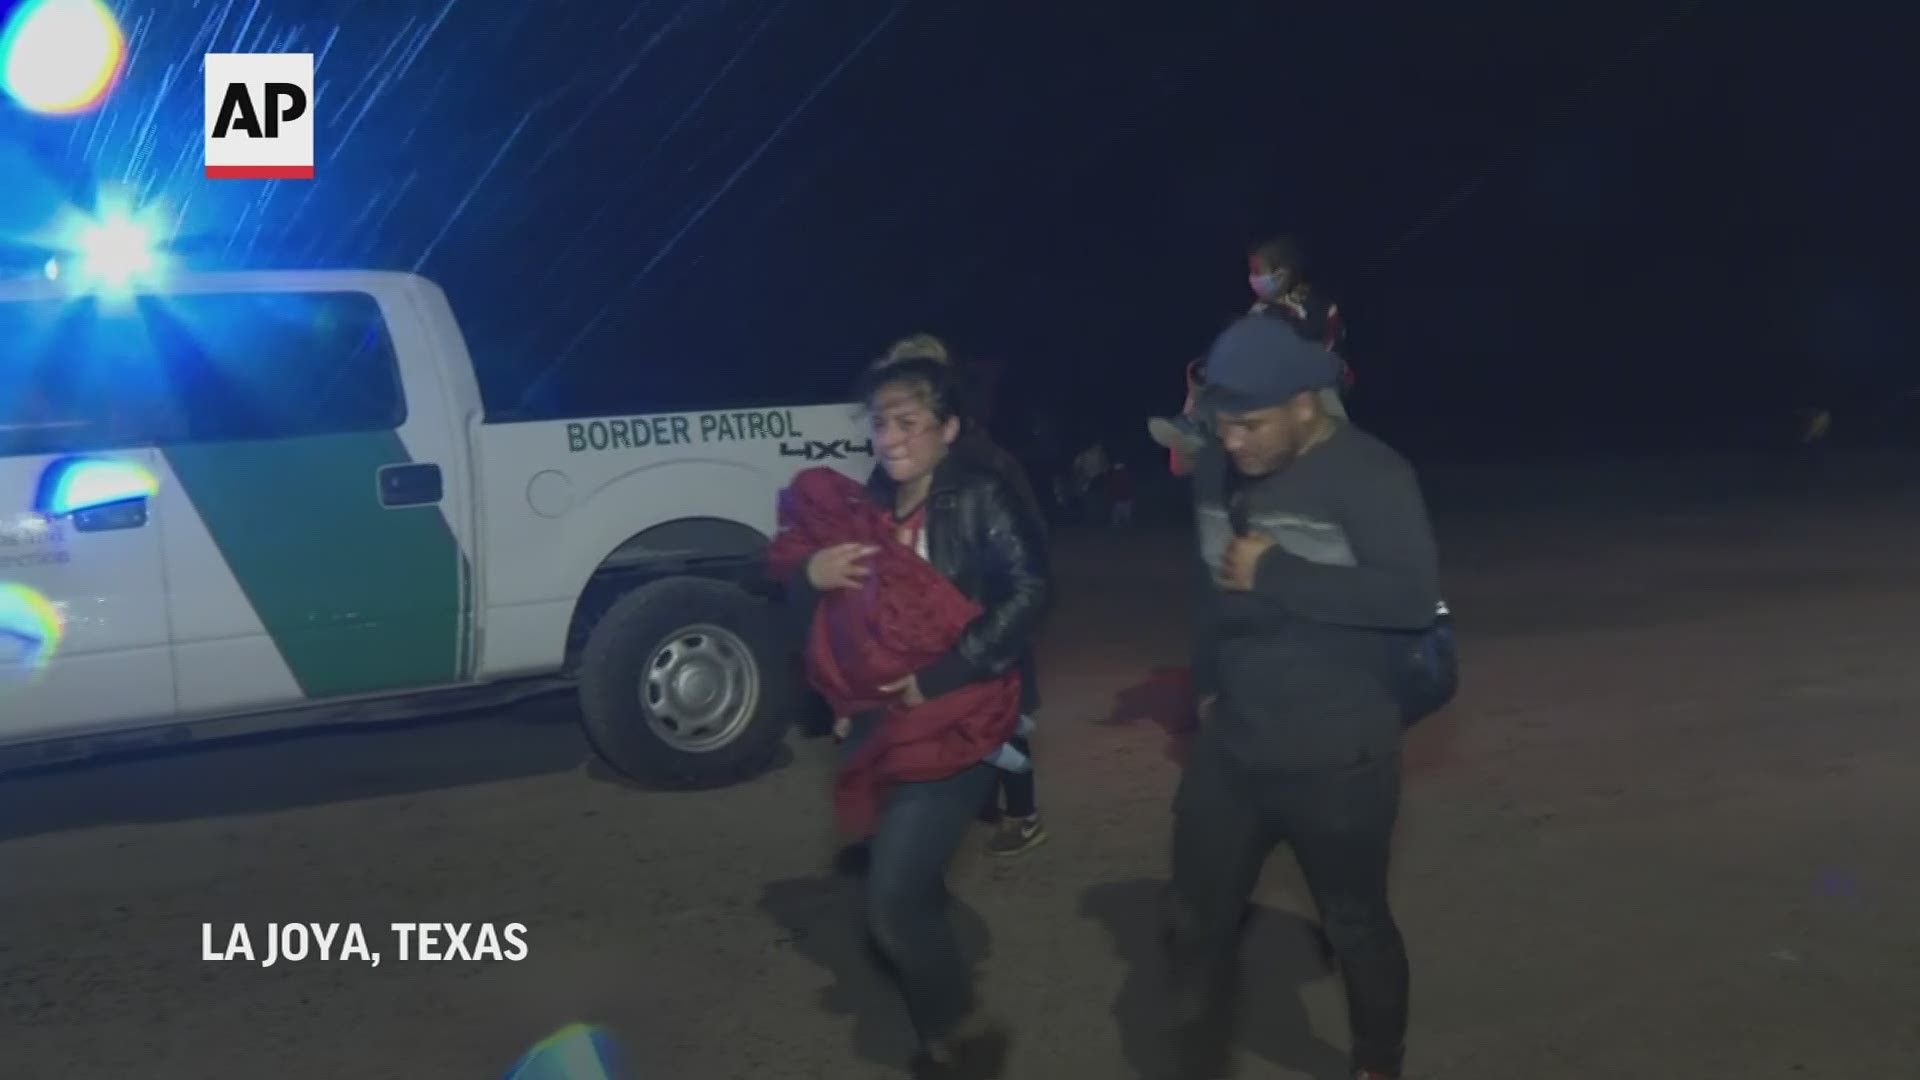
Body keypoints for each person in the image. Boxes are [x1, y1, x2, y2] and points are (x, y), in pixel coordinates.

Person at [1165, 315, 1442, 1080]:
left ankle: (1376, 1065)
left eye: (1250, 425)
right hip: (1235, 746)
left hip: (1339, 755)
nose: (1233, 442)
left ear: (1305, 406)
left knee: (1355, 925)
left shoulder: (1373, 476)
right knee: (1192, 920)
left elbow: (1412, 598)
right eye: (1222, 425)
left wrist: (1277, 572)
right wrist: (1209, 689)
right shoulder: (1221, 468)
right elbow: (1205, 583)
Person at [776, 357, 1051, 1078]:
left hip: (961, 716)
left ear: (949, 428)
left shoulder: (979, 496)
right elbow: (835, 615)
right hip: (882, 724)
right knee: (910, 882)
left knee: (893, 903)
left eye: (907, 422)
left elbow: (1032, 593)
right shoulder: (871, 502)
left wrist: (943, 674)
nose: (889, 439)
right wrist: (812, 579)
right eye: (879, 423)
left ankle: (960, 1043)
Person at [872, 334, 1051, 857]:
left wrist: (982, 632)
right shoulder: (885, 478)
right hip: (922, 650)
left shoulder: (985, 468)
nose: (894, 430)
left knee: (1004, 724)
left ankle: (1023, 813)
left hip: (980, 639)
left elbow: (1029, 569)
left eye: (910, 411)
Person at [1149, 234, 1352, 477]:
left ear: (1281, 275)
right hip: (1276, 381)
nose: (1252, 278)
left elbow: (1323, 345)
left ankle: (1339, 456)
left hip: (1322, 376)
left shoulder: (1313, 303)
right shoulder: (1259, 310)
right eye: (1251, 271)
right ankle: (1196, 424)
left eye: (1258, 271)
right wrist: (1208, 368)